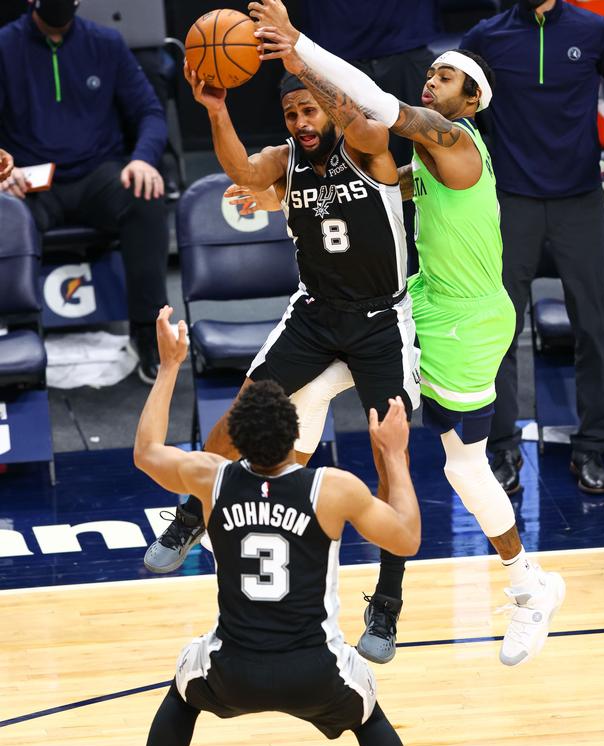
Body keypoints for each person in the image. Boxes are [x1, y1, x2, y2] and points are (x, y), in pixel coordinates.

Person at [248, 0, 566, 668]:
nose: (432, 79)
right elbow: (356, 136)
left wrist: (300, 45)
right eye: (432, 72)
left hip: (470, 321)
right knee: (313, 386)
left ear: (472, 101)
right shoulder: (423, 162)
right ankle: (315, 601)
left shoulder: (456, 144)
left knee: (462, 463)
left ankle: (529, 587)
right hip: (420, 305)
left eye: (447, 78)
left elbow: (372, 107)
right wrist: (268, 189)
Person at [106, 305, 449, 746]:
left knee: (179, 694)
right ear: (298, 434)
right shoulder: (332, 488)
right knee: (371, 720)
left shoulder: (210, 479)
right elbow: (407, 538)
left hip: (232, 670)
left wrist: (169, 368)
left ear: (236, 439)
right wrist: (393, 456)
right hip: (314, 672)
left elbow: (145, 452)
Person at [143, 51, 421, 624]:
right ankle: (192, 515)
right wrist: (217, 111)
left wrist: (308, 66)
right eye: (291, 113)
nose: (301, 123)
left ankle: (387, 599)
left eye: (309, 111)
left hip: (381, 320)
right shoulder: (284, 159)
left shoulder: (369, 151)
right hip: (314, 315)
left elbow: (367, 120)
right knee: (246, 410)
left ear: (331, 110)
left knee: (387, 448)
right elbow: (243, 173)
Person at [459, 0, 604, 495]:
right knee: (498, 332)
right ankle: (502, 450)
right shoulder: (485, 36)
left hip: (581, 200)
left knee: (593, 326)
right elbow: (454, 104)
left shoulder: (595, 30)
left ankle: (590, 449)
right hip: (509, 200)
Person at [0, 0, 170, 383]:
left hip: (98, 175)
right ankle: (21, 335)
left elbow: (150, 113)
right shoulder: (5, 46)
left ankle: (147, 333)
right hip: (31, 182)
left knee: (145, 196)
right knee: (6, 216)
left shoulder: (106, 43)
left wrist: (142, 158)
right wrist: (2, 169)